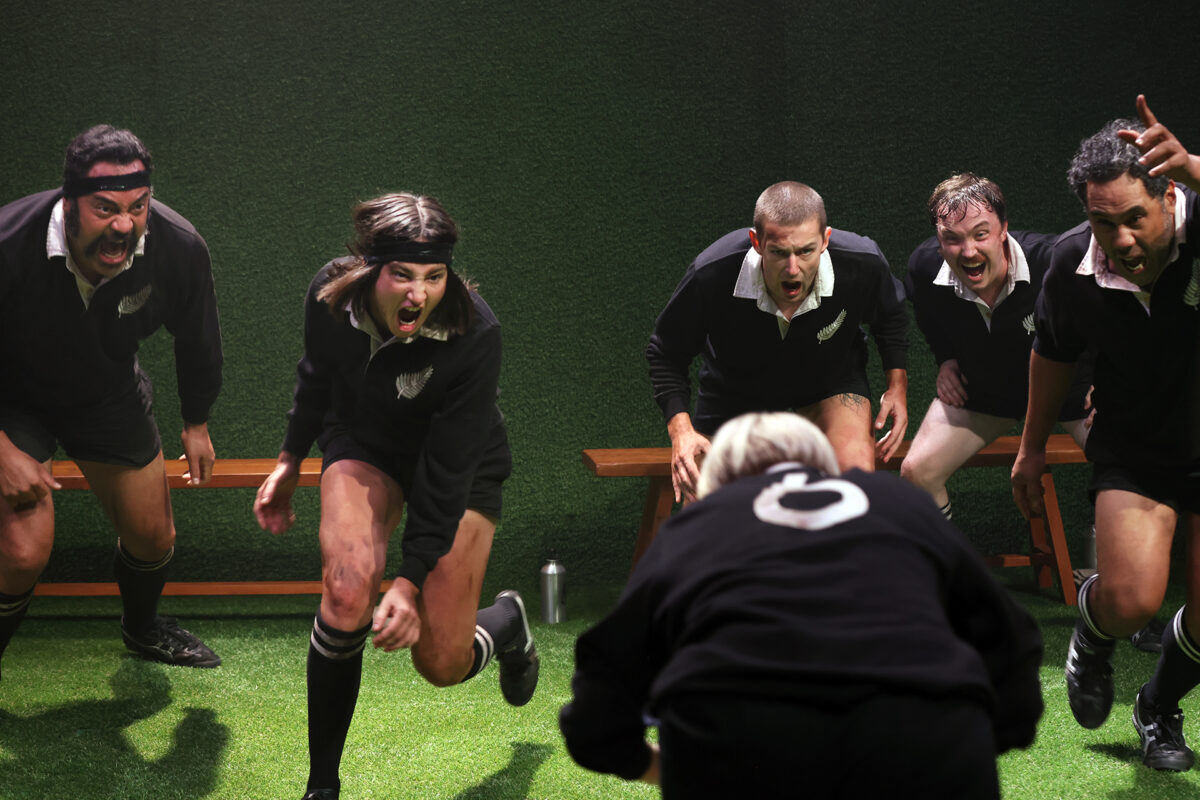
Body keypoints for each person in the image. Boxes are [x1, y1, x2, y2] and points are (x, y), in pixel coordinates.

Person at [560, 411, 1043, 798]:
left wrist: (671, 768)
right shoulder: (900, 503)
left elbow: (597, 709)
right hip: (930, 744)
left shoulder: (695, 527)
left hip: (733, 743)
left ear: (717, 488)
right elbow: (1013, 642)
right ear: (823, 471)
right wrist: (970, 740)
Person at [253, 192, 538, 800]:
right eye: (403, 275)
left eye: (434, 276)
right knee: (347, 589)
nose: (419, 293)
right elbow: (316, 377)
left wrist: (408, 582)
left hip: (461, 465)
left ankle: (508, 622)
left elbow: (448, 469)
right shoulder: (332, 296)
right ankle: (322, 787)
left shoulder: (476, 332)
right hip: (365, 442)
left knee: (441, 663)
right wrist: (288, 461)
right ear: (369, 268)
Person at [1012, 95, 1200, 771]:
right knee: (1131, 599)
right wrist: (1031, 449)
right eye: (1102, 221)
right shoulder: (1071, 265)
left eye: (1134, 218)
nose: (1120, 240)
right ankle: (1094, 632)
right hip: (1137, 443)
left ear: (1168, 196)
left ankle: (1157, 707)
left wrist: (1197, 165)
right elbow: (1052, 355)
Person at [0, 125, 223, 677]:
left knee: (153, 535)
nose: (124, 224)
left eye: (137, 206)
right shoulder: (9, 242)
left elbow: (198, 338)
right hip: (12, 399)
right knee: (23, 552)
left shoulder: (177, 247)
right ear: (69, 202)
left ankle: (142, 628)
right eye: (105, 208)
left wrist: (196, 421)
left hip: (105, 391)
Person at [646, 181, 908, 503]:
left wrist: (897, 387)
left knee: (852, 488)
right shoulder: (713, 272)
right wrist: (681, 432)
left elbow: (890, 316)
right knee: (706, 505)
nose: (793, 269)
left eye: (806, 251)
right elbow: (665, 352)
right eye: (780, 253)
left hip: (830, 381)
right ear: (756, 242)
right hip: (736, 389)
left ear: (825, 240)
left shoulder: (861, 262)